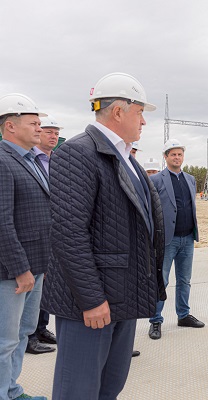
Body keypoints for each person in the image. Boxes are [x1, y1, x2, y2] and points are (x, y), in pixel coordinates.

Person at [41, 72, 166, 399]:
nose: (144, 121)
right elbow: (69, 233)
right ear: (119, 111)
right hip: (92, 305)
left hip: (122, 297)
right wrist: (92, 299)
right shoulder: (78, 153)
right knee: (79, 390)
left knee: (110, 386)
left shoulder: (127, 159)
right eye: (140, 112)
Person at [0, 93, 51, 400]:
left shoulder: (29, 160)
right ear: (10, 126)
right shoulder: (3, 161)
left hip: (36, 265)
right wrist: (21, 269)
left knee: (22, 333)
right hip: (13, 272)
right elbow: (2, 221)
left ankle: (12, 390)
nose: (39, 128)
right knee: (5, 340)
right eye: (33, 123)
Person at [148, 138, 204, 340]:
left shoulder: (190, 179)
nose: (177, 157)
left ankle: (183, 315)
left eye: (180, 154)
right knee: (161, 280)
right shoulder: (156, 180)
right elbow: (151, 210)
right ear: (166, 157)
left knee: (184, 280)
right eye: (173, 154)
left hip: (187, 238)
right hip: (166, 240)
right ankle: (155, 320)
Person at [25, 115, 62, 356]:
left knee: (47, 285)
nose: (53, 136)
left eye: (56, 133)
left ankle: (41, 328)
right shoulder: (30, 159)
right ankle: (28, 336)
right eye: (48, 131)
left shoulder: (56, 161)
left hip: (53, 231)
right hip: (34, 232)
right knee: (33, 286)